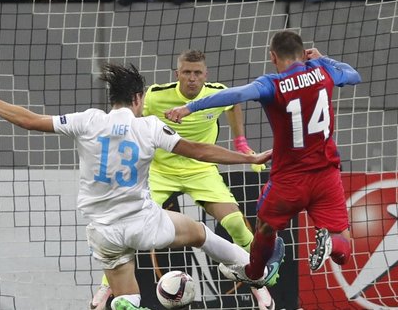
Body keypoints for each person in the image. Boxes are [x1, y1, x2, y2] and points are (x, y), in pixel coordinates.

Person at [0, 63, 275, 310]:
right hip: (145, 223)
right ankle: (251, 269)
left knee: (128, 299)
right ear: (138, 99)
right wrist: (248, 156)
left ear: (113, 99)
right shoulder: (148, 127)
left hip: (104, 232)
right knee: (200, 234)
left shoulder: (88, 120)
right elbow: (200, 150)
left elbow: (29, 120)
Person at [165, 30, 361, 287]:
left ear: (272, 56)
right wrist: (326, 59)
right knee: (344, 247)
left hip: (288, 179)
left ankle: (255, 271)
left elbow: (233, 95)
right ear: (304, 54)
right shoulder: (325, 71)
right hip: (327, 175)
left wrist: (189, 107)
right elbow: (354, 75)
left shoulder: (271, 84)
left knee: (266, 228)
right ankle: (331, 243)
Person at [93, 49, 278, 310]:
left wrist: (241, 143)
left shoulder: (216, 93)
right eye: (187, 72)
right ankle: (104, 290)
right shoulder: (156, 96)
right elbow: (129, 119)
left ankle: (259, 286)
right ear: (177, 74)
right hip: (160, 171)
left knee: (236, 223)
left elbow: (232, 104)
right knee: (126, 225)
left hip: (200, 170)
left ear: (206, 75)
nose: (192, 78)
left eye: (197, 73)